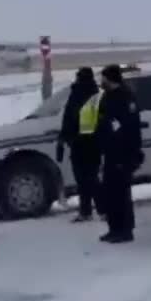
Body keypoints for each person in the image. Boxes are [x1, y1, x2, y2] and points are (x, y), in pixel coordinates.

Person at [95, 64, 144, 243]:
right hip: (110, 152)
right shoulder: (107, 97)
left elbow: (131, 128)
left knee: (121, 193)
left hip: (123, 152)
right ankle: (114, 228)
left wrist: (132, 153)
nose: (102, 82)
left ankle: (125, 230)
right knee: (110, 192)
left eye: (104, 79)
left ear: (111, 79)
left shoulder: (125, 98)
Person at [59, 67, 103, 222]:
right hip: (80, 144)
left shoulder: (93, 95)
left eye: (79, 77)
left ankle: (100, 209)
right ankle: (86, 211)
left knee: (90, 178)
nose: (77, 79)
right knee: (83, 179)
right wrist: (64, 138)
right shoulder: (78, 93)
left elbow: (97, 120)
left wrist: (65, 138)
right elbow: (68, 117)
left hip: (88, 143)